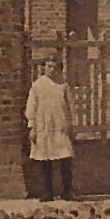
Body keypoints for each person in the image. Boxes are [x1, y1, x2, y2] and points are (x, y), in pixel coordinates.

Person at [25, 58, 76, 201]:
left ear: (60, 69)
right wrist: (32, 127)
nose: (51, 70)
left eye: (54, 67)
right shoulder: (37, 86)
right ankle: (47, 192)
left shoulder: (63, 85)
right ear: (44, 67)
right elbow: (31, 107)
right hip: (43, 127)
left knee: (65, 159)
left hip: (60, 126)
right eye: (48, 66)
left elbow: (70, 106)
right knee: (45, 160)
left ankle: (67, 191)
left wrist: (71, 125)